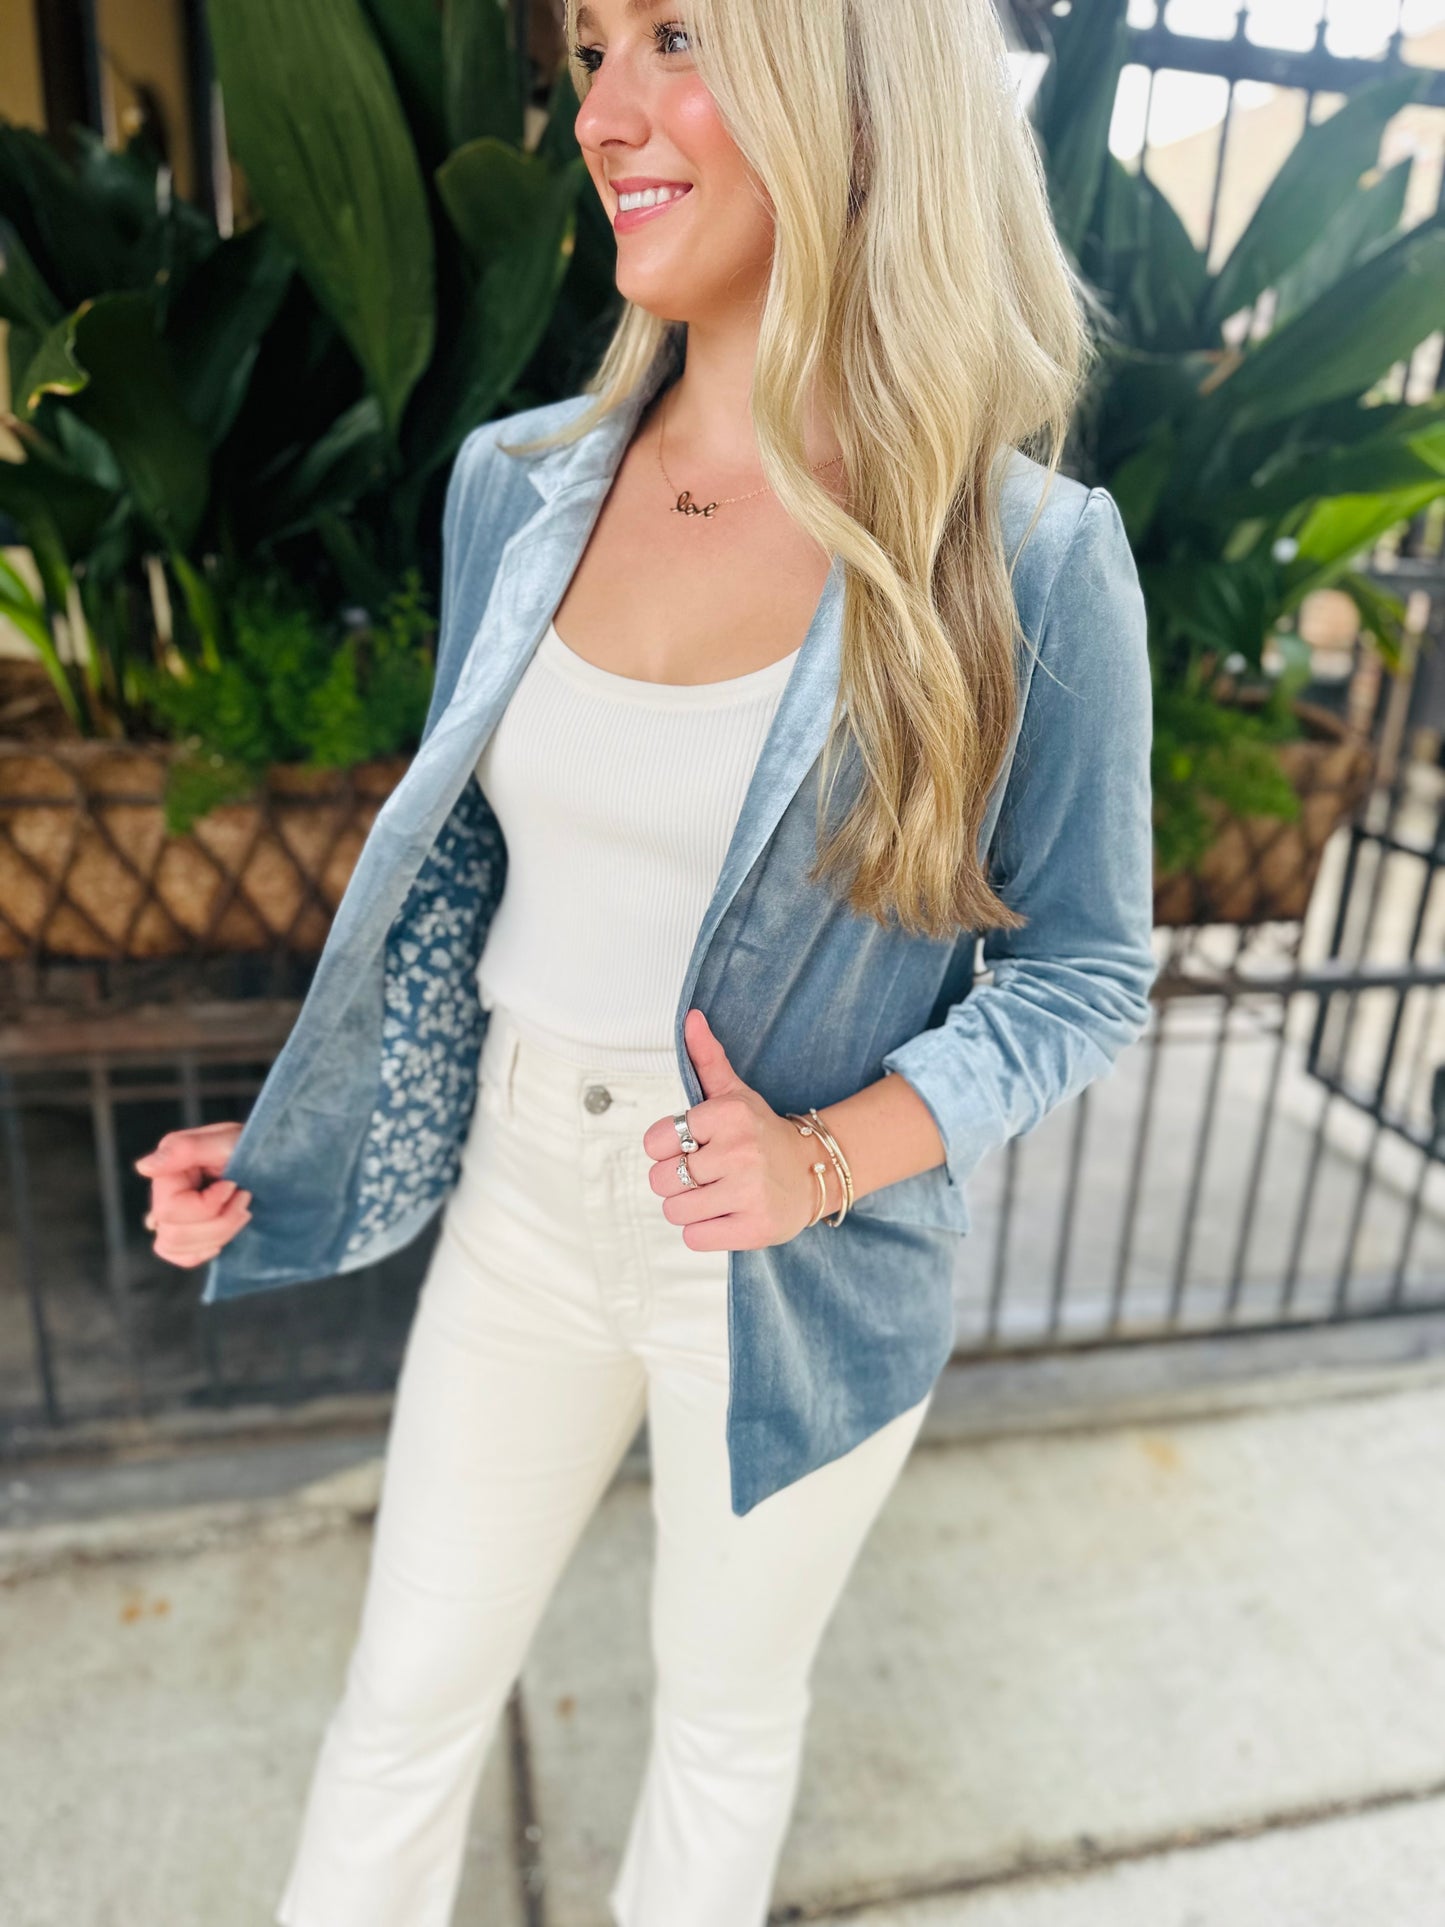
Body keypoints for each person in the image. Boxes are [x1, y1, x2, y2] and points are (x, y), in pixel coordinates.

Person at [134, 0, 1158, 1921]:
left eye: (673, 34)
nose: (600, 109)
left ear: (850, 80)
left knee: (723, 1722)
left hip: (798, 1261)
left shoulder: (1018, 556)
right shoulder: (517, 484)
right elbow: (469, 896)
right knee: (402, 1699)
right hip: (520, 1197)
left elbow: (1087, 974)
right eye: (589, 48)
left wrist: (828, 1155)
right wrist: (288, 1143)